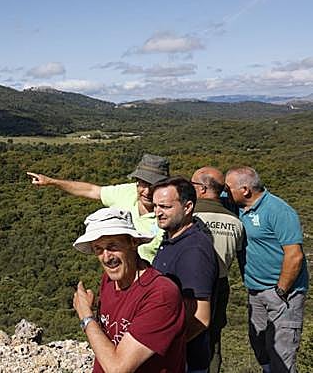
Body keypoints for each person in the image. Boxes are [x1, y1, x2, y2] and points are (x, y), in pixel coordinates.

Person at [72, 207, 186, 373]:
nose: (107, 257)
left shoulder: (161, 294)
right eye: (98, 249)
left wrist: (86, 317)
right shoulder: (110, 280)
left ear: (133, 242)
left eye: (112, 246)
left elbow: (118, 368)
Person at [225, 166, 308, 373]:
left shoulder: (278, 210)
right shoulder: (240, 207)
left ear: (245, 190)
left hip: (282, 293)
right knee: (260, 345)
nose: (226, 192)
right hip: (256, 291)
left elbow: (294, 255)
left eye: (229, 188)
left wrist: (281, 290)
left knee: (282, 352)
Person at [27, 153, 170, 262]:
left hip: (151, 283)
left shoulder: (170, 214)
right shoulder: (127, 192)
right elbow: (91, 190)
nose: (146, 191)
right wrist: (52, 182)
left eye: (153, 185)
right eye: (141, 184)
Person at [151, 177, 218, 373]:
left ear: (187, 207)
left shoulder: (194, 250)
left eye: (164, 206)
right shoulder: (174, 238)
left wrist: (163, 349)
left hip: (185, 361)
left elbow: (200, 318)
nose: (157, 212)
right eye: (155, 206)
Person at [191, 166, 245, 373]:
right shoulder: (236, 222)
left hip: (190, 285)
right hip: (220, 285)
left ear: (203, 189)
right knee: (214, 339)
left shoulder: (189, 215)